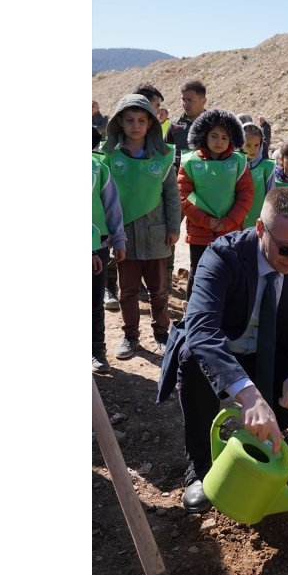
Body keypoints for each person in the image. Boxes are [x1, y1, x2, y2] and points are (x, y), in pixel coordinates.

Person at [164, 187, 288, 514]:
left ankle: (266, 432)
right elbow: (202, 329)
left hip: (268, 352)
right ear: (260, 229)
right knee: (191, 356)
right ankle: (201, 466)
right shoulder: (223, 255)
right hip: (223, 355)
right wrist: (246, 393)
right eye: (287, 249)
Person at [99, 94, 182, 359]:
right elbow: (103, 197)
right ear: (119, 124)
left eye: (142, 120)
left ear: (150, 125)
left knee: (159, 291)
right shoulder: (109, 158)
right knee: (128, 291)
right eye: (130, 120)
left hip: (157, 234)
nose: (136, 126)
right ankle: (130, 337)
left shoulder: (163, 157)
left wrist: (173, 227)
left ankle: (161, 334)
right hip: (125, 236)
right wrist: (110, 234)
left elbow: (171, 193)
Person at [178, 109, 254, 298]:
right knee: (198, 272)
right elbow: (184, 195)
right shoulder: (189, 161)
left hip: (231, 232)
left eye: (224, 137)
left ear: (232, 139)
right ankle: (192, 314)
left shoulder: (238, 162)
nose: (219, 142)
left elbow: (245, 196)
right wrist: (206, 221)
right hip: (199, 232)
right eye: (214, 136)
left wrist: (227, 222)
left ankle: (226, 316)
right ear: (204, 135)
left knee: (229, 273)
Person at [92, 151, 127, 373]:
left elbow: (111, 205)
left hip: (98, 245)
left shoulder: (97, 167)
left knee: (94, 302)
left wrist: (119, 239)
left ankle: (96, 350)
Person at [239, 121, 278, 230]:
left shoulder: (267, 167)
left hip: (258, 226)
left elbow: (271, 198)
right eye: (248, 145)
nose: (253, 149)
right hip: (234, 224)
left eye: (257, 145)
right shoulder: (233, 165)